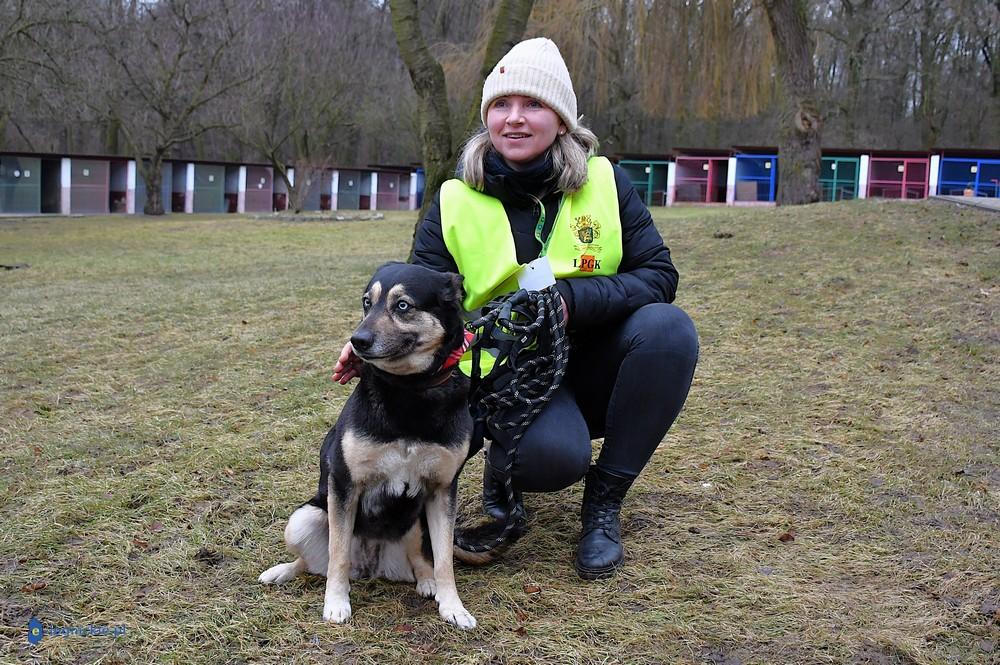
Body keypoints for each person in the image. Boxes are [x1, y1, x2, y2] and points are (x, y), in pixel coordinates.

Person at [333, 37, 698, 580]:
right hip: (499, 376)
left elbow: (659, 276)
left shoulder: (605, 183)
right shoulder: (454, 200)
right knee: (549, 460)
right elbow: (414, 301)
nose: (515, 119)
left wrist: (568, 302)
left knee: (669, 330)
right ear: (487, 119)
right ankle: (511, 463)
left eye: (533, 104)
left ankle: (605, 500)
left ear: (563, 120)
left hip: (597, 362)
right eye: (501, 106)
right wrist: (375, 344)